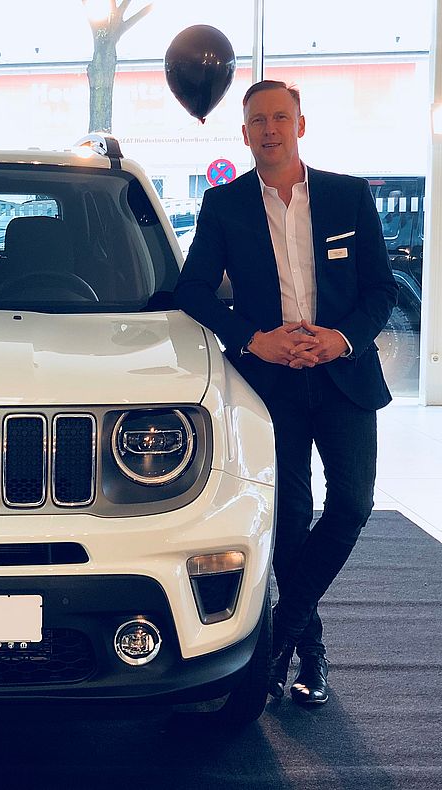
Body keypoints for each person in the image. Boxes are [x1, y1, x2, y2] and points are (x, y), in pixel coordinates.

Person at [174, 81, 398, 707]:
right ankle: (313, 654)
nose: (269, 129)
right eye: (256, 121)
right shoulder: (224, 206)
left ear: (301, 125)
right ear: (243, 134)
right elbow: (191, 293)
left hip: (343, 376)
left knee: (352, 505)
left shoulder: (348, 197)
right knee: (290, 519)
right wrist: (254, 340)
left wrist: (341, 338)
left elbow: (381, 289)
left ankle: (280, 640)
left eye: (280, 117)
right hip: (270, 380)